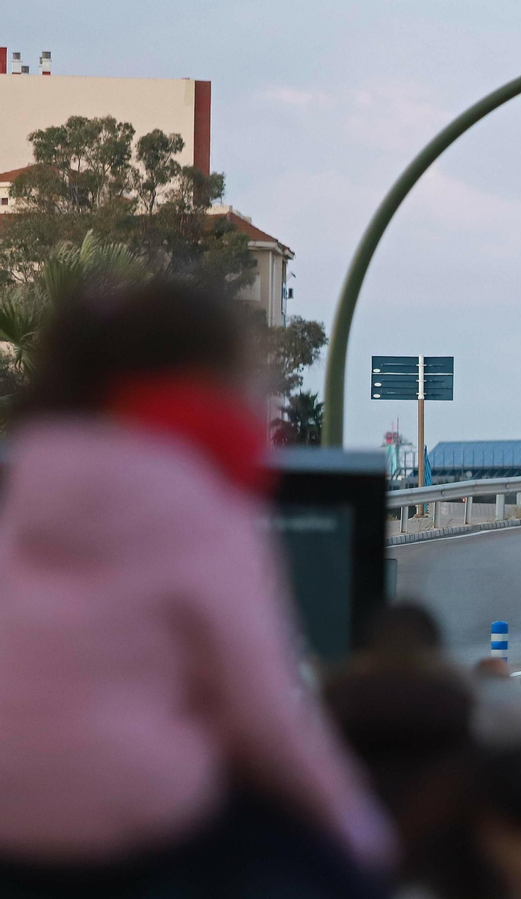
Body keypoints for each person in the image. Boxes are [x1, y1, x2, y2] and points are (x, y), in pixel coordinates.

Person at [0, 278, 391, 889]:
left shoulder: (24, 483)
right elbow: (265, 717)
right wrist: (364, 832)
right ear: (210, 382)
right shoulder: (200, 505)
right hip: (133, 822)